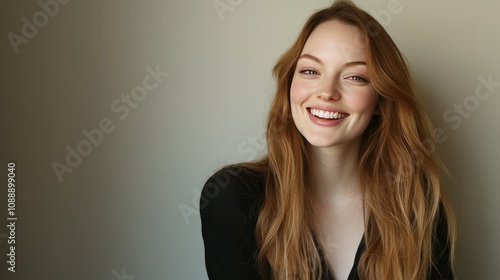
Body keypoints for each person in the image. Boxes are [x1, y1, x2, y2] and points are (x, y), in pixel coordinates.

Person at [200, 0, 456, 279]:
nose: (327, 92)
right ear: (289, 85)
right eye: (310, 71)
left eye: (355, 76)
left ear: (382, 100)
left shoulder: (417, 206)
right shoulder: (232, 198)